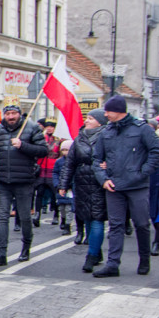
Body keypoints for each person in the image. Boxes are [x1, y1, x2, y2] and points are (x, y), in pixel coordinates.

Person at [91, 95, 159, 277]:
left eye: (108, 110)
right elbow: (96, 159)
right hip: (113, 186)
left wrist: (142, 172)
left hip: (138, 186)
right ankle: (112, 264)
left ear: (118, 111)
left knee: (141, 224)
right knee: (116, 226)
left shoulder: (141, 129)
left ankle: (144, 260)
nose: (105, 114)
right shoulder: (106, 132)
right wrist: (103, 179)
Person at [0, 102, 48, 266]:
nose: (11, 117)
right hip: (3, 180)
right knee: (1, 218)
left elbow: (43, 150)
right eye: (8, 114)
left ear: (19, 114)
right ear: (4, 115)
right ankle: (1, 254)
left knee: (25, 217)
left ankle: (26, 248)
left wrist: (23, 146)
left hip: (24, 181)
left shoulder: (32, 128)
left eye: (14, 113)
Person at [58, 109, 108, 272]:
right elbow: (69, 163)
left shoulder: (107, 136)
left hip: (99, 182)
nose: (86, 120)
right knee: (86, 217)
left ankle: (92, 255)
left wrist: (109, 166)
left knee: (97, 219)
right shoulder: (80, 138)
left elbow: (117, 157)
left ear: (100, 122)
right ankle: (97, 250)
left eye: (91, 118)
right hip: (81, 182)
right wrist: (63, 184)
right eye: (87, 118)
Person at [34, 120, 60, 226]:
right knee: (39, 193)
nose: (49, 129)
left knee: (54, 194)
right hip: (41, 168)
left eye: (51, 127)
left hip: (52, 169)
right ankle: (37, 214)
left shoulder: (59, 140)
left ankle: (56, 215)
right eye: (47, 127)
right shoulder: (41, 138)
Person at [53, 141, 74, 235]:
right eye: (64, 150)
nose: (65, 152)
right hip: (61, 187)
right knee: (62, 207)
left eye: (67, 150)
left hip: (70, 188)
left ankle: (68, 225)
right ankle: (63, 219)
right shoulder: (59, 161)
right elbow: (55, 173)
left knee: (69, 208)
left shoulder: (74, 161)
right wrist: (57, 184)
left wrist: (71, 185)